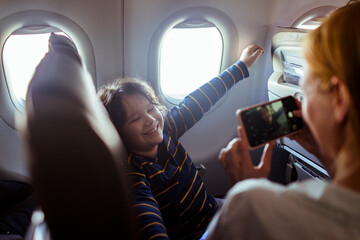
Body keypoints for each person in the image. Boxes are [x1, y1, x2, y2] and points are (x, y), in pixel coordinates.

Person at [206, 1, 360, 239]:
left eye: (306, 90)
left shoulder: (252, 208)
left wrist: (243, 191)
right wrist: (326, 154)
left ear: (339, 99)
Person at [97, 44, 264, 239]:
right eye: (135, 119)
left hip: (212, 209)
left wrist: (242, 65)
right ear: (119, 132)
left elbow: (200, 100)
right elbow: (146, 218)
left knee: (266, 212)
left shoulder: (167, 129)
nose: (151, 120)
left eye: (151, 109)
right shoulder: (134, 173)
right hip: (192, 235)